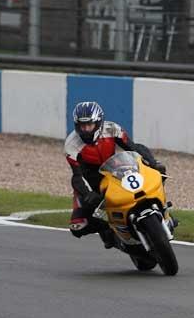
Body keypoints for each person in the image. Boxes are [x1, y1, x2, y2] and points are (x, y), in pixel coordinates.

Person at [65, 101, 165, 246]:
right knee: (77, 225)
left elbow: (133, 147)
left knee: (157, 172)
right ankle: (109, 232)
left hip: (115, 166)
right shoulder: (71, 144)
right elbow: (77, 175)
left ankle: (163, 209)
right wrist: (88, 194)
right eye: (82, 126)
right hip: (90, 178)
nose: (86, 130)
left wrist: (152, 163)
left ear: (99, 123)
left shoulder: (112, 129)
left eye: (89, 125)